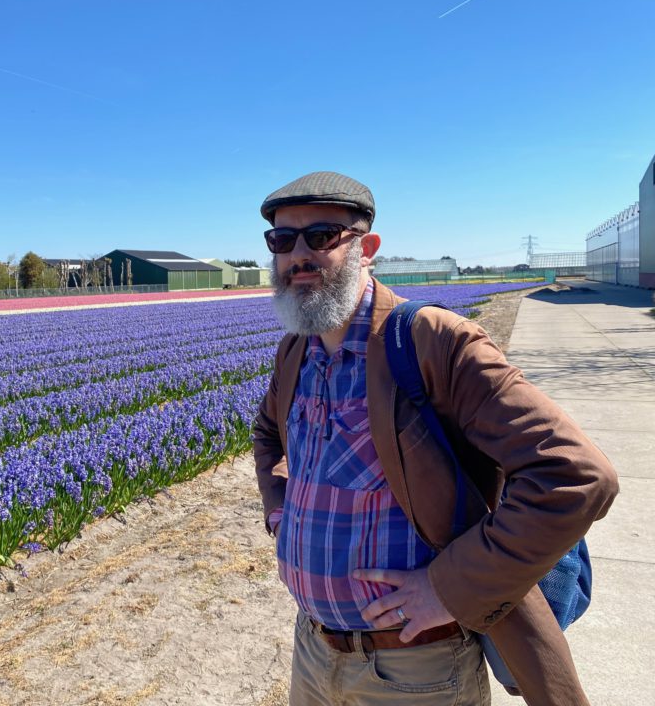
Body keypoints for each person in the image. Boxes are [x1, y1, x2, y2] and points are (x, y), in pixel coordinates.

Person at [252, 171, 618, 706]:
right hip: (312, 653)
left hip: (415, 669)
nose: (297, 255)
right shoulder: (297, 351)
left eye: (323, 236)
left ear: (367, 248)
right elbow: (267, 434)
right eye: (282, 241)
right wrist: (278, 510)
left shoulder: (428, 341)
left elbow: (576, 475)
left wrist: (446, 589)